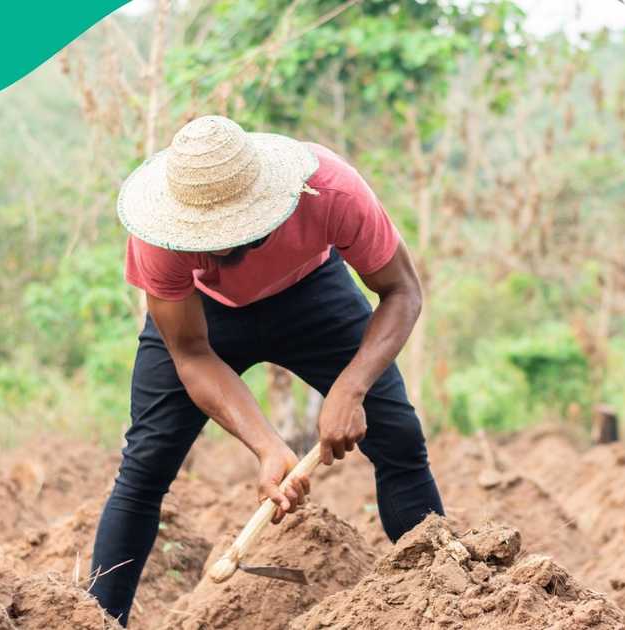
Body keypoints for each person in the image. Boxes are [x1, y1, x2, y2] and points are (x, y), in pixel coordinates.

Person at [88, 115, 445, 625]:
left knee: (399, 438)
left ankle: (446, 598)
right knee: (145, 466)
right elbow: (190, 353)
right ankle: (98, 619)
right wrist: (267, 446)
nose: (218, 255)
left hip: (312, 291)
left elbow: (403, 291)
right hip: (202, 318)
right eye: (203, 242)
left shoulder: (330, 190)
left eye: (236, 237)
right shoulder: (158, 235)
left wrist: (351, 388)